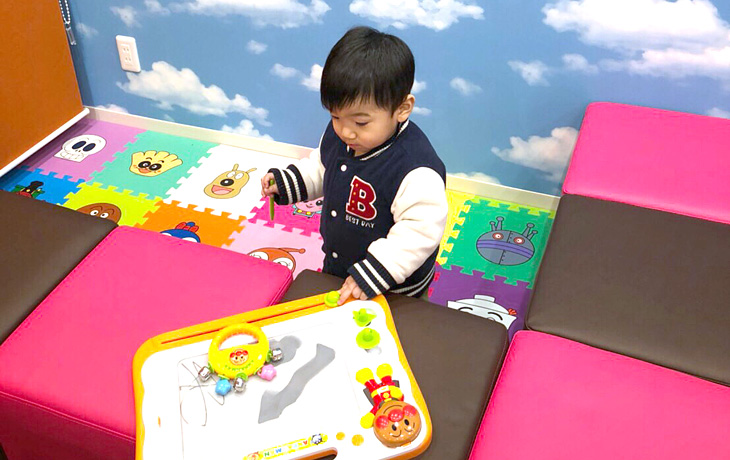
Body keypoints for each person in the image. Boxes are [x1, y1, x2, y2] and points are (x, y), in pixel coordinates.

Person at [261, 26, 447, 304]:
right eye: (336, 117)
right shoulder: (343, 136)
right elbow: (322, 168)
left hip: (393, 285)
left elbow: (419, 232)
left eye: (361, 122)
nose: (346, 132)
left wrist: (375, 272)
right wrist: (288, 182)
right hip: (340, 267)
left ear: (402, 108)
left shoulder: (416, 170)